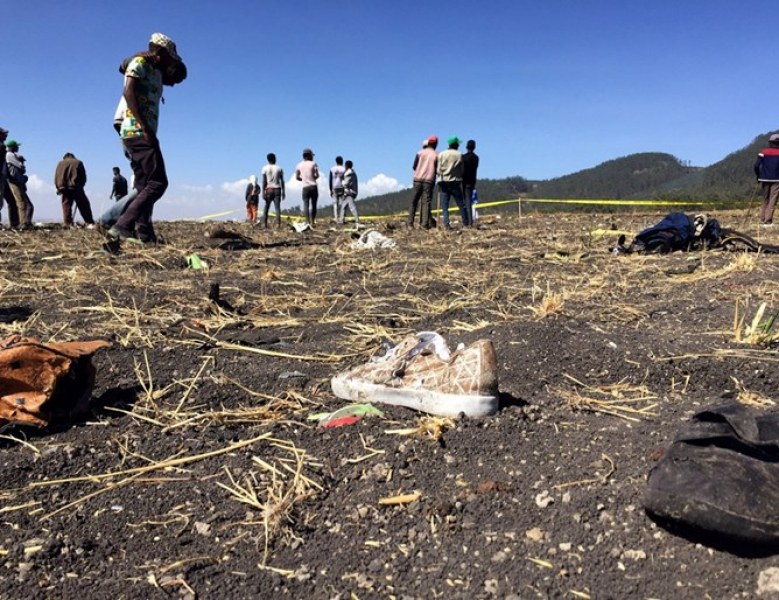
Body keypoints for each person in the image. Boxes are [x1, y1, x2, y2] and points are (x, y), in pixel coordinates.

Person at [106, 32, 183, 247]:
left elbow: (178, 76)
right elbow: (129, 91)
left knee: (143, 185)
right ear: (160, 52)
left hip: (139, 131)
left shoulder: (156, 71)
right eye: (170, 58)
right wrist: (145, 127)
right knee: (158, 182)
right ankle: (121, 226)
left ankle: (144, 232)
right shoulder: (140, 62)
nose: (171, 65)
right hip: (137, 131)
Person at [55, 153, 95, 228]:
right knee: (84, 205)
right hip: (76, 187)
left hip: (64, 188)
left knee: (66, 205)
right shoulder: (78, 162)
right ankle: (89, 222)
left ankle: (67, 223)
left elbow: (56, 176)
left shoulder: (60, 163)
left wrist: (58, 188)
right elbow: (83, 177)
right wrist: (81, 186)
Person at [437, 136, 469, 230]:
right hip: (455, 181)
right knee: (460, 204)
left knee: (444, 205)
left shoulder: (441, 154)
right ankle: (465, 223)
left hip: (443, 181)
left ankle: (446, 224)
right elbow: (462, 169)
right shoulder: (459, 154)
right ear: (456, 144)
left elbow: (438, 169)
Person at [407, 136, 438, 229]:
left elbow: (414, 166)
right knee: (426, 202)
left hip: (417, 179)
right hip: (429, 181)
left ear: (428, 143)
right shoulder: (436, 155)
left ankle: (410, 223)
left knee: (414, 201)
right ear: (436, 144)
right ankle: (424, 225)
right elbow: (437, 168)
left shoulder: (419, 153)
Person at [5, 140, 33, 229]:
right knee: (22, 203)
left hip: (17, 181)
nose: (18, 148)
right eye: (16, 146)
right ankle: (23, 223)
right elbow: (21, 167)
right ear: (12, 147)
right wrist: (20, 161)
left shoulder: (12, 155)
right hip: (15, 181)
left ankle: (25, 223)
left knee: (27, 204)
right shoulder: (10, 155)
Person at [754, 133, 779, 226]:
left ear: (770, 143)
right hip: (777, 180)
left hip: (764, 178)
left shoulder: (763, 152)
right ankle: (768, 221)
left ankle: (762, 219)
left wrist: (758, 175)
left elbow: (756, 165)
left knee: (765, 199)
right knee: (773, 199)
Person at [295, 148, 320, 226]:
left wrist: (303, 179)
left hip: (305, 187)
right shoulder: (313, 164)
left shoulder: (299, 165)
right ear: (309, 156)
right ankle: (312, 221)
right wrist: (313, 178)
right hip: (313, 186)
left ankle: (307, 221)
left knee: (306, 204)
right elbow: (316, 175)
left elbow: (297, 177)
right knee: (314, 204)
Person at [261, 153, 285, 228]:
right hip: (277, 189)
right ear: (275, 159)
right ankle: (278, 224)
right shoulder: (279, 168)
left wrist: (263, 192)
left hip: (269, 189)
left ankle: (264, 224)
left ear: (268, 160)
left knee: (266, 207)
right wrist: (283, 191)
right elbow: (282, 181)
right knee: (277, 208)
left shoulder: (265, 168)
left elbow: (264, 181)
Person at [461, 139, 479, 225]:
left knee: (467, 201)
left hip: (465, 181)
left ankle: (469, 222)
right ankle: (469, 220)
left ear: (466, 147)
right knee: (469, 201)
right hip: (472, 181)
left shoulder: (464, 157)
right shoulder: (476, 158)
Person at [339, 160, 360, 226]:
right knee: (344, 206)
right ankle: (341, 220)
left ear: (346, 166)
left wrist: (341, 180)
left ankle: (357, 220)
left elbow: (346, 184)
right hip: (353, 192)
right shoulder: (353, 173)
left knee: (351, 207)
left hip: (349, 192)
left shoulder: (348, 173)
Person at [329, 156, 346, 221]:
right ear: (342, 161)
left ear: (336, 161)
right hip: (342, 187)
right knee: (342, 203)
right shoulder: (344, 169)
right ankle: (342, 217)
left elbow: (330, 180)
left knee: (335, 203)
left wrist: (330, 189)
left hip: (334, 187)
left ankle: (336, 218)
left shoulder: (332, 169)